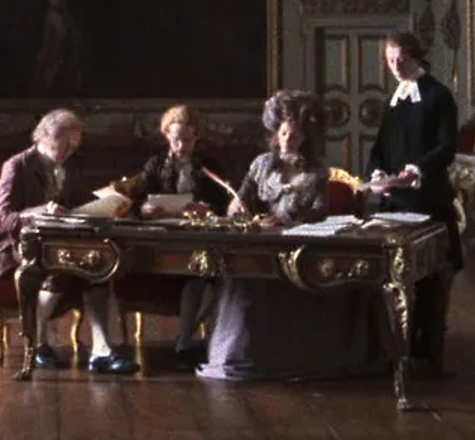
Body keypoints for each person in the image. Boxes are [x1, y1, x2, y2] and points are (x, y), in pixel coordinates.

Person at [197, 91, 393, 381]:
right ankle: (249, 353)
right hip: (261, 242)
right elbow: (242, 199)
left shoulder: (316, 170)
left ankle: (302, 356)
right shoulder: (261, 164)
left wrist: (286, 219)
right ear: (276, 133)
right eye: (284, 132)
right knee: (243, 275)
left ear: (305, 138)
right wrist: (236, 205)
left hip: (299, 243)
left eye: (295, 134)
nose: (288, 138)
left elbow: (320, 211)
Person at [0, 109, 136, 374]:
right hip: (25, 247)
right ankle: (39, 342)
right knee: (60, 274)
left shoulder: (67, 165)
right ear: (45, 136)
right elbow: (3, 219)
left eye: (73, 146)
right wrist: (42, 211)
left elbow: (84, 201)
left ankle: (102, 351)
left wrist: (113, 205)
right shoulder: (17, 166)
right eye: (65, 145)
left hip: (63, 244)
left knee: (100, 270)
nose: (69, 152)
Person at [365, 33, 461, 366]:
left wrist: (414, 171)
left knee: (431, 276)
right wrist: (378, 174)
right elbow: (379, 148)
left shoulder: (438, 95)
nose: (395, 66)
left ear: (417, 57)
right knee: (395, 276)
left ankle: (430, 352)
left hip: (427, 201)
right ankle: (398, 347)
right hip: (395, 203)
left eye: (401, 59)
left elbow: (446, 147)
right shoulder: (395, 100)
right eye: (390, 60)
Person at [135, 104, 231, 369]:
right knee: (194, 274)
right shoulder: (155, 165)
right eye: (176, 139)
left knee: (203, 275)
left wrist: (207, 208)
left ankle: (185, 340)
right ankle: (185, 342)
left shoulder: (208, 166)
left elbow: (224, 203)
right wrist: (145, 209)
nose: (181, 145)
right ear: (167, 135)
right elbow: (135, 200)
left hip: (197, 237)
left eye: (187, 139)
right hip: (162, 240)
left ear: (195, 138)